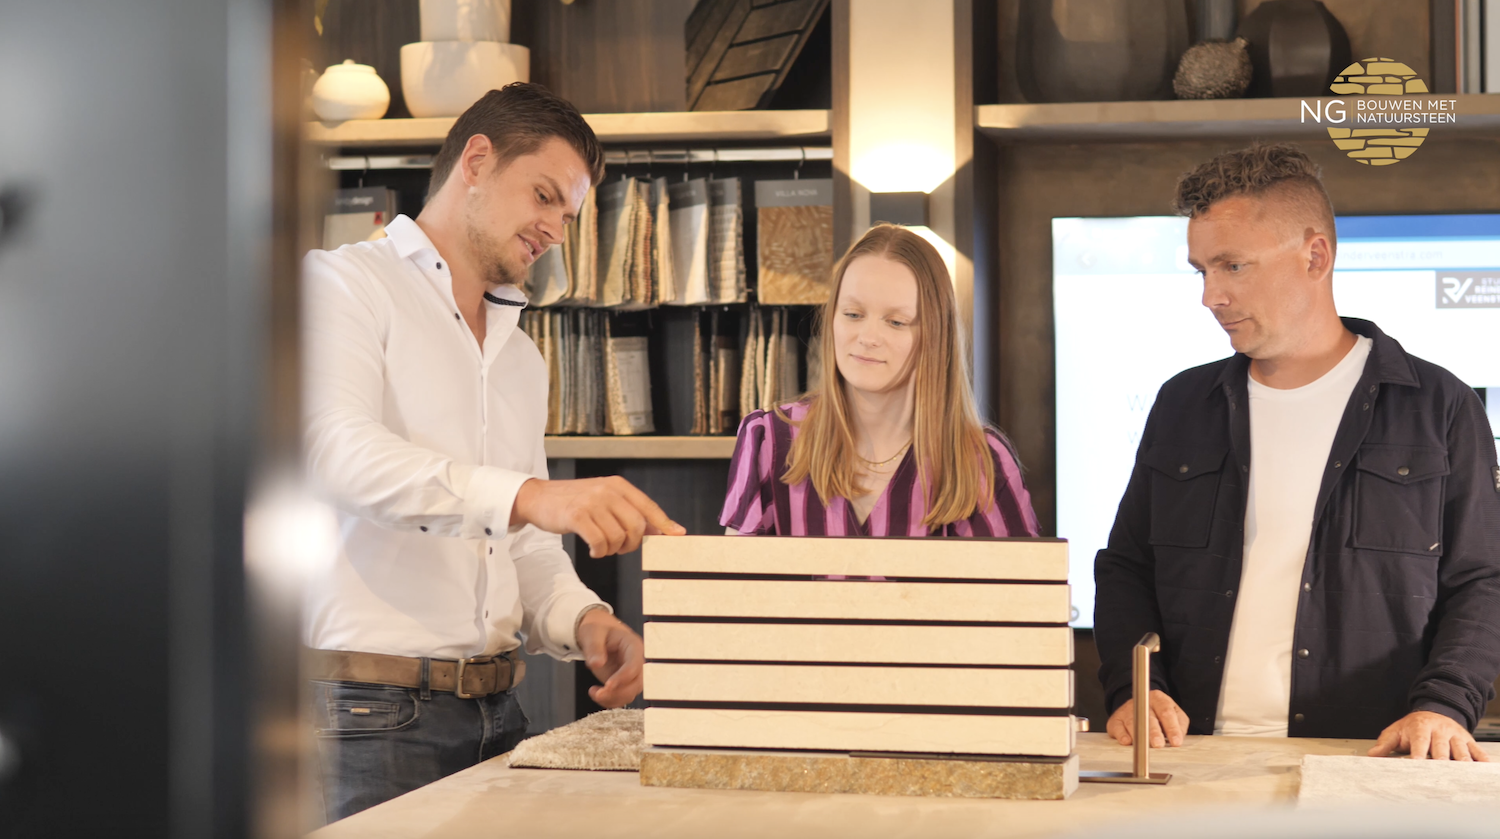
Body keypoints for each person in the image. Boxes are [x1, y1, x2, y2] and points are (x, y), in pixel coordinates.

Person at [300, 83, 685, 821]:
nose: (555, 231)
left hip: (501, 714)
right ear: (476, 161)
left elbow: (522, 543)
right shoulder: (342, 284)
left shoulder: (521, 358)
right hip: (365, 717)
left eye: (567, 215)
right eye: (544, 196)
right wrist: (532, 496)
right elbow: (335, 453)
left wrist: (586, 621)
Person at [1094, 143, 1500, 761]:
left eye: (1233, 266)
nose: (1210, 296)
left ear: (1316, 256)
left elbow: (1482, 582)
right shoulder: (1182, 403)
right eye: (1201, 271)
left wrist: (1444, 706)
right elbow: (1127, 567)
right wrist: (1132, 688)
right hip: (1188, 756)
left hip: (1370, 760)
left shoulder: (1441, 406)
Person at [721, 224, 1039, 537]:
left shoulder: (981, 460)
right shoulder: (768, 439)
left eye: (896, 322)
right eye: (853, 314)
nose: (868, 337)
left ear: (935, 335)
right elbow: (735, 572)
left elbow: (1017, 573)